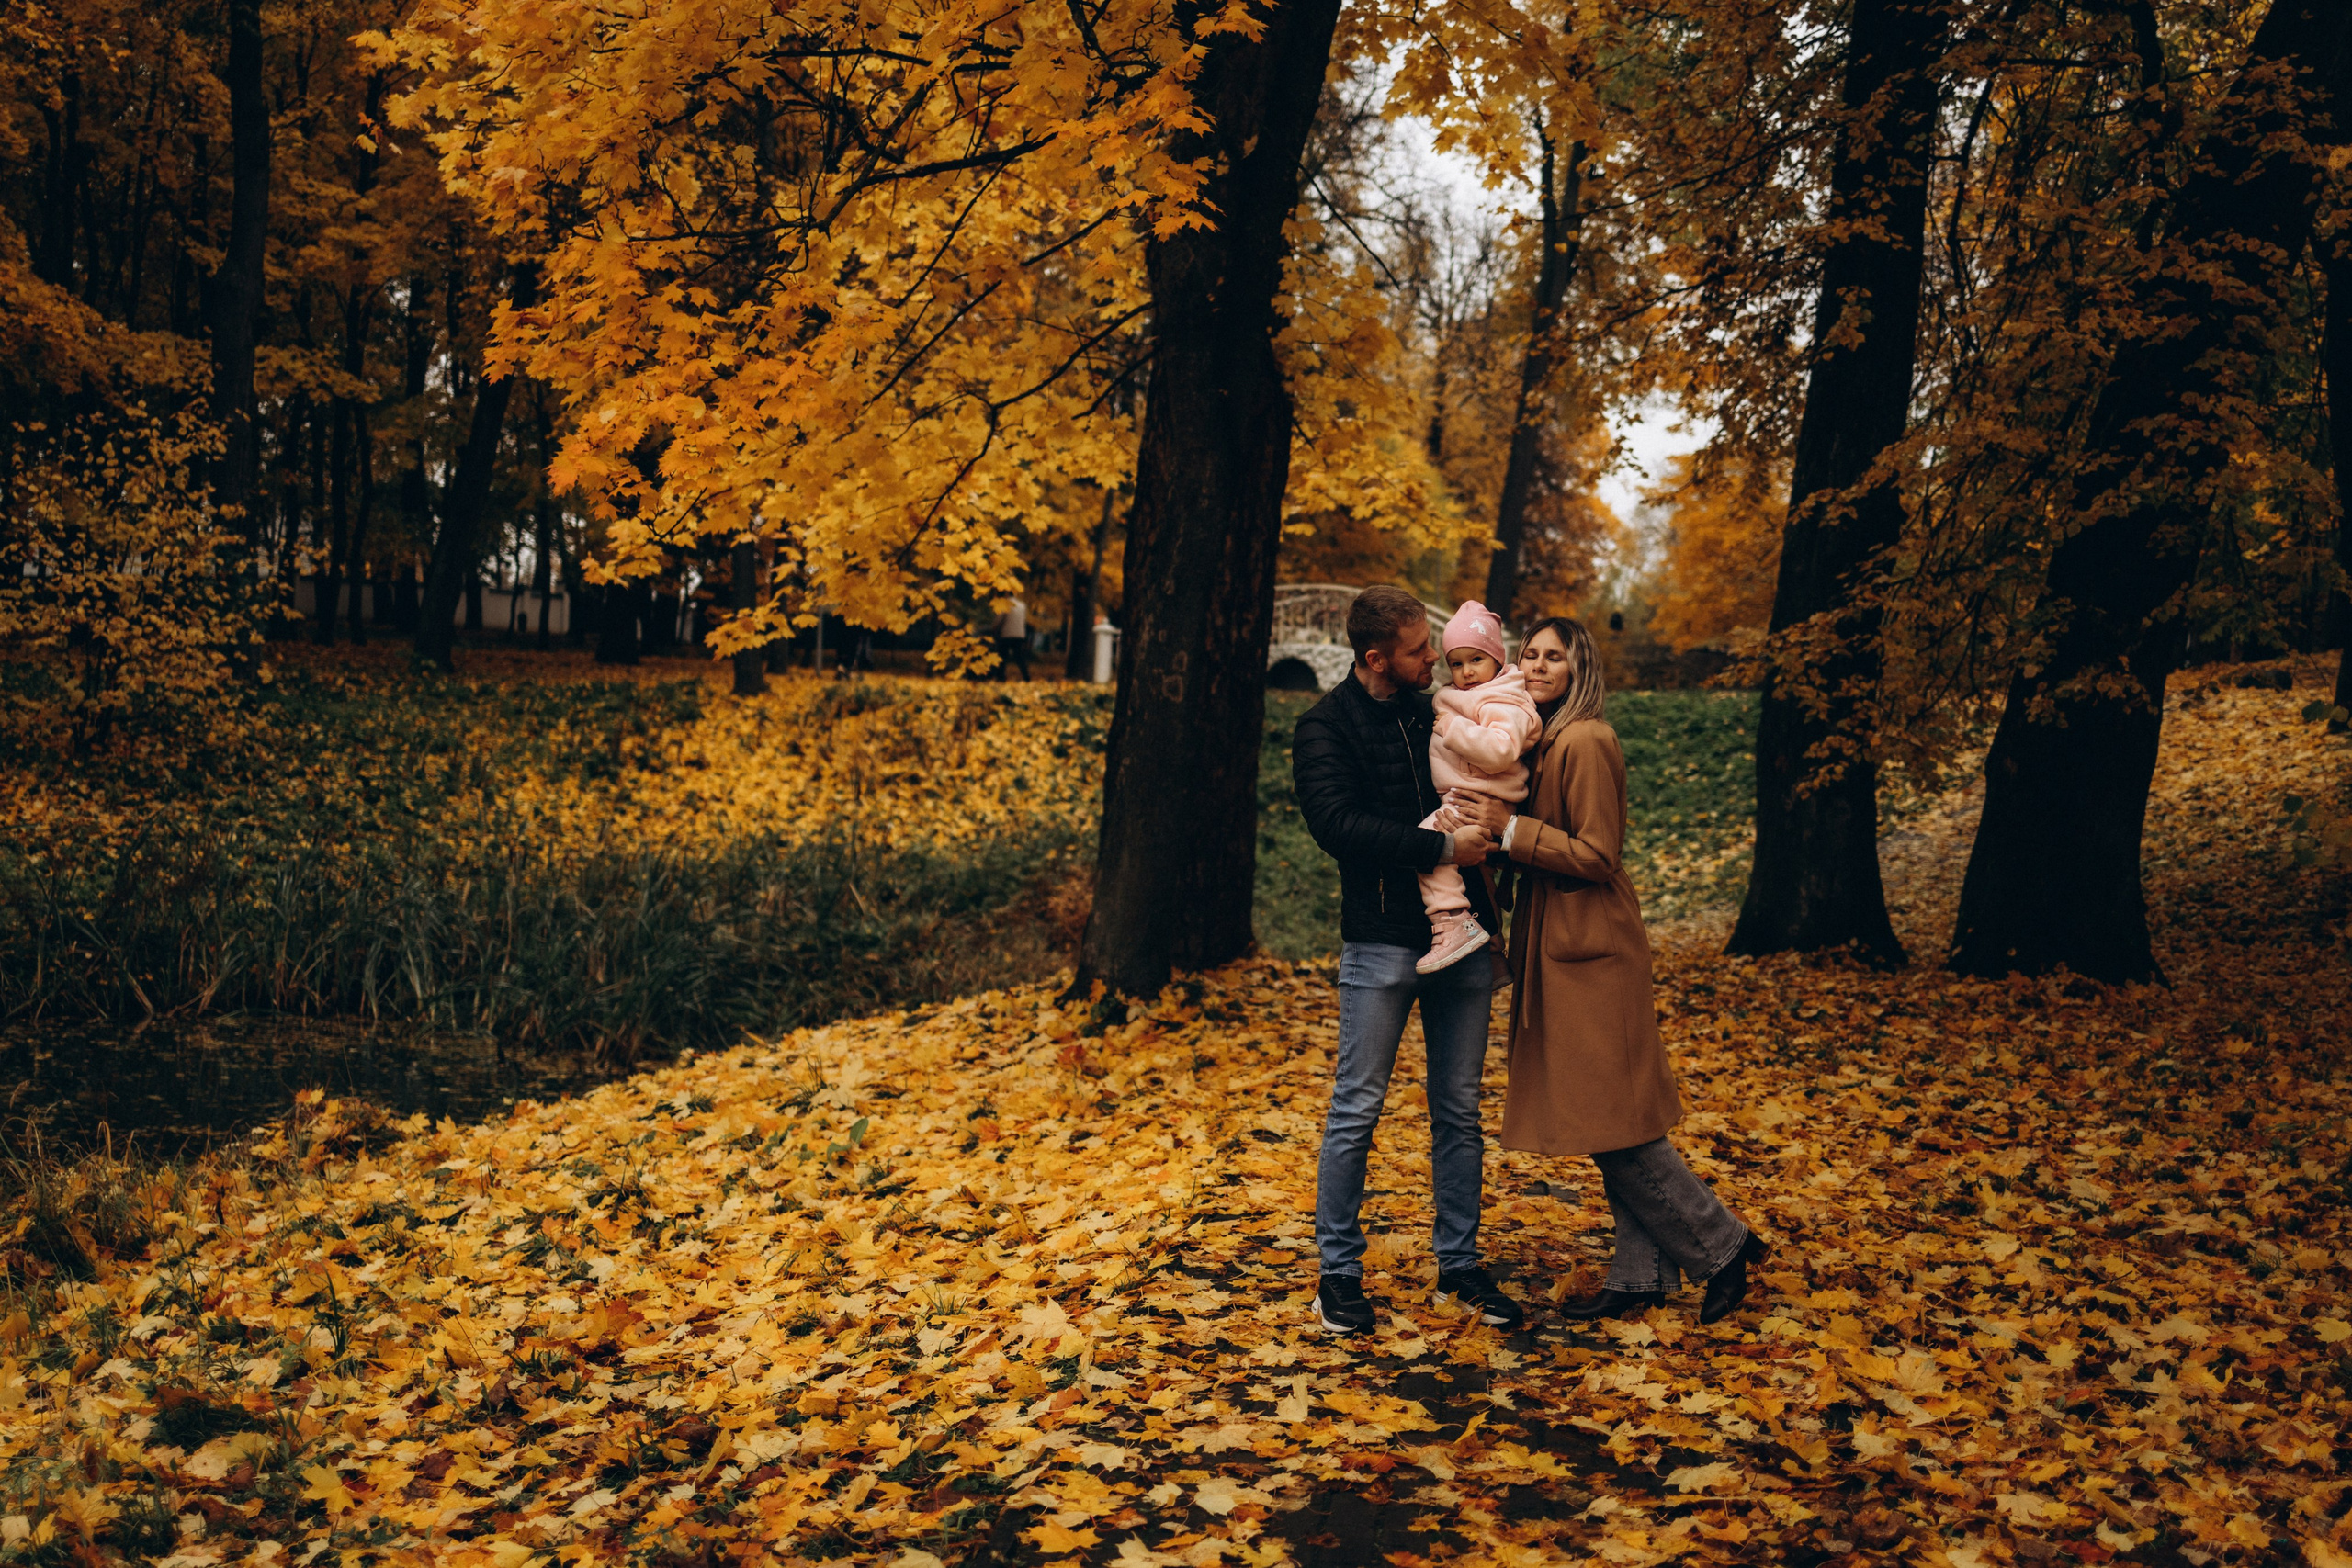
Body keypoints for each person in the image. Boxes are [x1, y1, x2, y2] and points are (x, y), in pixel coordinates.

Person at [1491, 615, 1769, 1325]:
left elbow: (1597, 852)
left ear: (1581, 669)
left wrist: (1515, 835)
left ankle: (1721, 1242)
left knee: (1614, 1121)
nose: (1538, 665)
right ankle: (1640, 1272)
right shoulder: (1545, 740)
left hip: (1592, 946)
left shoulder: (1584, 738)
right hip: (1565, 943)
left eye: (1556, 656)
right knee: (1612, 1113)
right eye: (1529, 654)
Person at [1291, 585, 1526, 1337]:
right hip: (1381, 939)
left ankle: (1459, 1264)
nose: (1436, 659)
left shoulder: (1442, 708)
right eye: (1420, 649)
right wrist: (1438, 848)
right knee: (1356, 1107)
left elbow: (1491, 774)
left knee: (1458, 1110)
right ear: (1376, 658)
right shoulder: (1323, 727)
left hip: (1466, 938)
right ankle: (1339, 1274)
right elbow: (1338, 825)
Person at [1414, 599, 1540, 976]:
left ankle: (1451, 920)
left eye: (1476, 660)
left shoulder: (1505, 699)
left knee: (1429, 843)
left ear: (1497, 660)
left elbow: (1500, 751)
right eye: (1457, 663)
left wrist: (1454, 730)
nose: (1466, 672)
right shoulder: (1470, 696)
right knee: (1478, 877)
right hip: (1467, 792)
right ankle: (1493, 952)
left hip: (1481, 796)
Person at [993, 596, 1030, 680]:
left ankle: (1001, 677)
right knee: (1019, 657)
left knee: (1002, 656)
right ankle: (1026, 676)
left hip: (1007, 634)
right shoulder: (1022, 605)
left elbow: (999, 620)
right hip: (1019, 634)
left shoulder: (1005, 604)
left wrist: (994, 629)